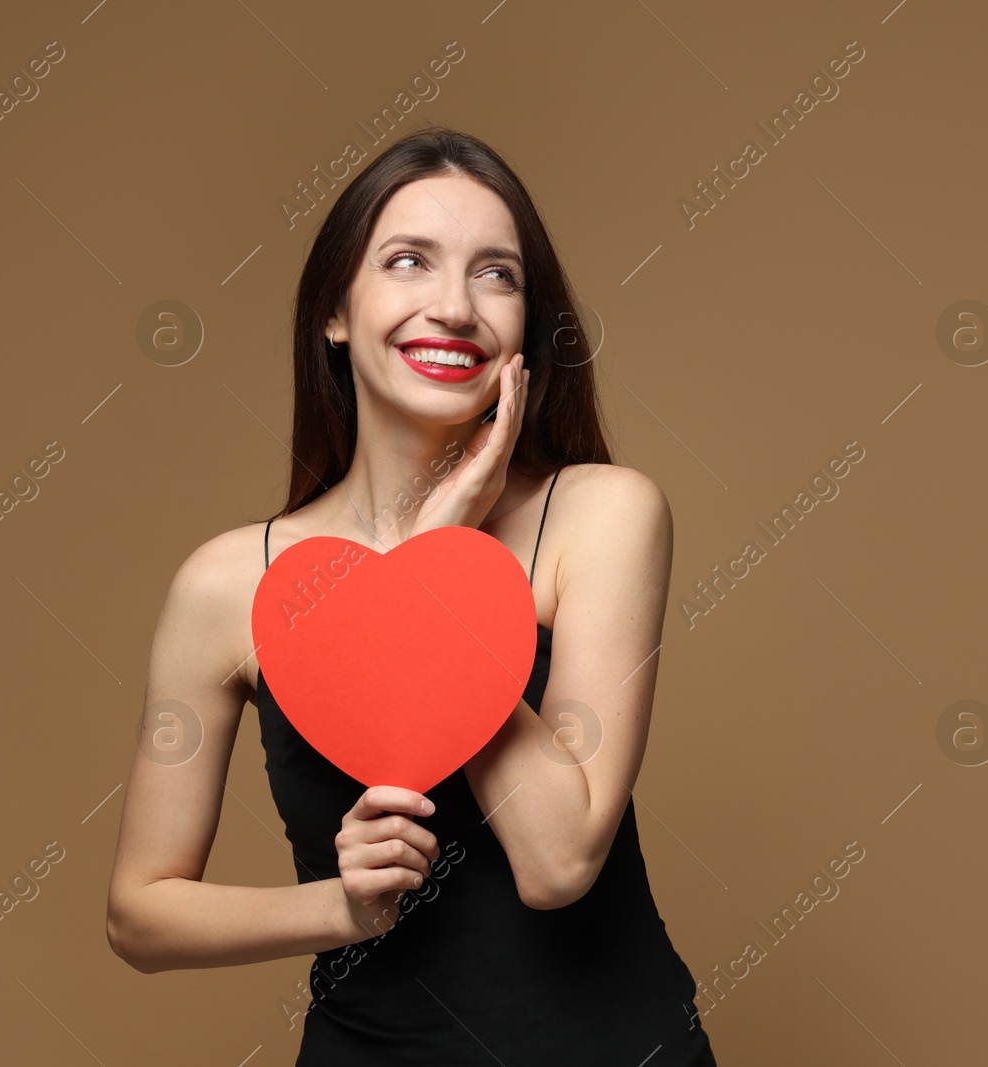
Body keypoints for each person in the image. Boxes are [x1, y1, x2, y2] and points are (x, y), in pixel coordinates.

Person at [105, 126, 719, 1064]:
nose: (454, 307)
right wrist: (339, 906)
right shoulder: (230, 583)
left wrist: (436, 564)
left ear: (525, 328)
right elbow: (139, 915)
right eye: (408, 261)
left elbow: (559, 862)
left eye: (497, 275)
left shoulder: (603, 516)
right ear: (336, 311)